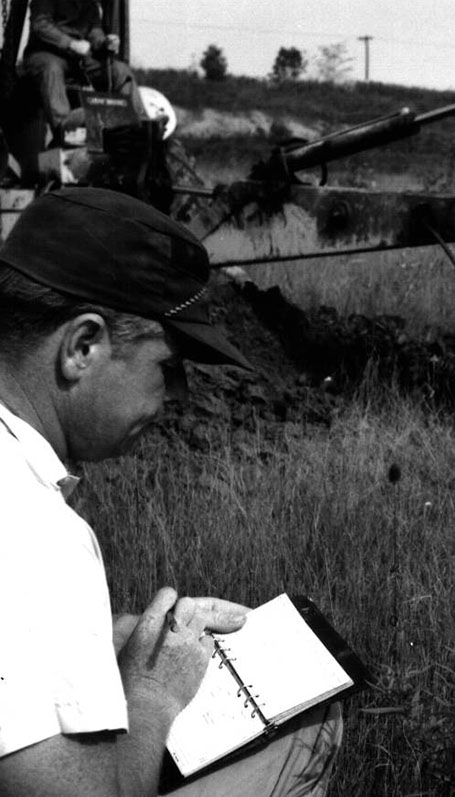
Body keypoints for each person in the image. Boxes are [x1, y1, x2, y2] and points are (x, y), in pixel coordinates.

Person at [0, 187, 342, 796]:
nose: (180, 395)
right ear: (83, 346)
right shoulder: (38, 529)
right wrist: (154, 694)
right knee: (308, 727)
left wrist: (112, 640)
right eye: (169, 366)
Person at [22, 0, 146, 142]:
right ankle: (64, 127)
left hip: (77, 60)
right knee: (52, 69)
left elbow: (95, 32)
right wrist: (71, 43)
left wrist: (105, 42)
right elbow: (41, 25)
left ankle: (137, 121)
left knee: (120, 70)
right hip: (45, 54)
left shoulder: (90, 4)